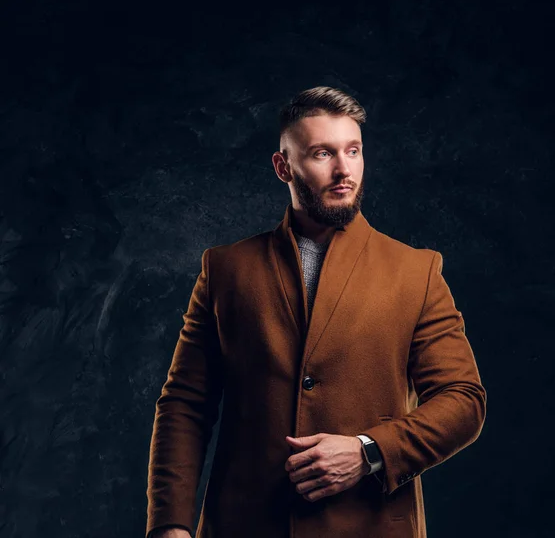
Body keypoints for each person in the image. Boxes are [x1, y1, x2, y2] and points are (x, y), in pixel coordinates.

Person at [146, 86, 487, 538]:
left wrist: (369, 451)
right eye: (323, 153)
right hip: (245, 525)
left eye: (353, 151)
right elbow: (185, 405)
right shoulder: (226, 269)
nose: (344, 170)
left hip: (371, 526)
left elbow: (463, 400)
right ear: (282, 165)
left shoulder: (416, 271)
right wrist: (169, 525)